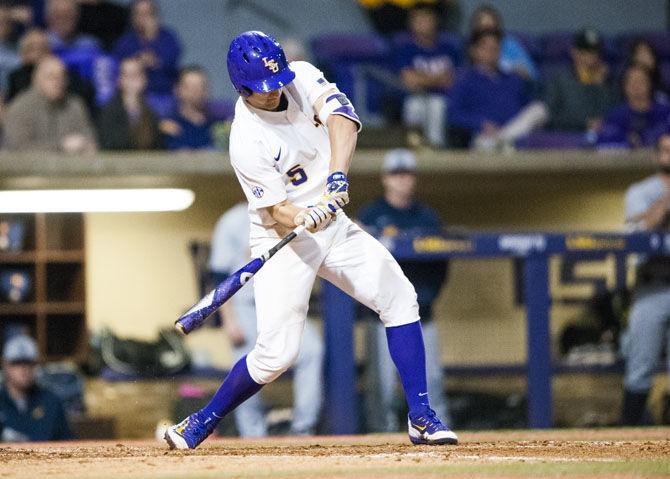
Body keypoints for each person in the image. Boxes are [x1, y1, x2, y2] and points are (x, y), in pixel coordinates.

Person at [164, 31, 458, 449]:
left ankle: (421, 417)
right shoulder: (245, 138)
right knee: (276, 355)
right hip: (282, 234)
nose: (275, 91)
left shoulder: (299, 75)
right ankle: (202, 419)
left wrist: (337, 176)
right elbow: (273, 211)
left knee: (399, 297)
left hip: (333, 221)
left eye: (276, 80)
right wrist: (303, 215)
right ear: (241, 88)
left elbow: (342, 121)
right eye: (263, 89)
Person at [209, 203, 324, 437]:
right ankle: (252, 434)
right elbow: (219, 276)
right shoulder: (232, 220)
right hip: (245, 306)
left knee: (312, 350)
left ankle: (303, 427)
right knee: (243, 365)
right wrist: (229, 321)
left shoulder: (293, 212)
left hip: (282, 301)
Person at [357, 149, 450, 432]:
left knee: (431, 381)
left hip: (423, 315)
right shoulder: (372, 215)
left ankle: (438, 430)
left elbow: (441, 268)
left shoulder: (427, 217)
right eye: (396, 174)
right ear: (386, 179)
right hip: (380, 315)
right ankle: (380, 437)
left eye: (406, 174)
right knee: (381, 386)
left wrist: (426, 299)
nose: (401, 181)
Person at [621, 132, 670, 425]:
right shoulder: (640, 191)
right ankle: (625, 437)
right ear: (657, 155)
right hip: (652, 284)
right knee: (639, 368)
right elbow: (639, 229)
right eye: (665, 150)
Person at [448, 28, 547, 150]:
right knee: (484, 142)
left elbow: (527, 108)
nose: (491, 52)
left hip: (514, 133)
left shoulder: (514, 79)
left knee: (539, 109)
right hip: (483, 135)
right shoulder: (464, 80)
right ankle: (502, 142)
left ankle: (502, 140)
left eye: (495, 48)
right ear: (475, 51)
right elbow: (454, 115)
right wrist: (481, 124)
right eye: (486, 48)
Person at [397, 2, 460, 147]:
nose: (423, 23)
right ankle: (414, 149)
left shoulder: (449, 49)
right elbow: (409, 80)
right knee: (415, 106)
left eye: (427, 19)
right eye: (418, 20)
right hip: (415, 98)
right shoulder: (405, 49)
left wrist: (422, 78)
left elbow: (453, 79)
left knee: (437, 104)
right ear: (411, 23)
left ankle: (436, 152)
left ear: (435, 20)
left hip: (445, 99)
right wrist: (438, 79)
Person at [4, 55, 97, 152]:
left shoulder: (75, 105)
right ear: (36, 79)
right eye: (51, 77)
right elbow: (20, 149)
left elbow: (90, 141)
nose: (58, 82)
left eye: (62, 77)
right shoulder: (20, 108)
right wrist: (61, 147)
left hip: (72, 165)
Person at [545, 28, 618, 136]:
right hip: (567, 136)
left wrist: (600, 86)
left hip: (602, 136)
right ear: (574, 52)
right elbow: (550, 117)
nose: (591, 57)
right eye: (585, 52)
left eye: (595, 52)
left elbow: (616, 114)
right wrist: (583, 124)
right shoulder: (560, 80)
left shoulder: (609, 80)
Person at [0, 335, 72, 441]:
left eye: (29, 363)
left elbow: (68, 444)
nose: (24, 369)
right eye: (17, 363)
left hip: (45, 457)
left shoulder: (51, 402)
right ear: (5, 365)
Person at [5, 28, 95, 113]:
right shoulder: (16, 77)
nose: (38, 52)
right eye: (32, 48)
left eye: (42, 47)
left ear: (50, 52)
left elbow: (81, 97)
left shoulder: (65, 72)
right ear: (23, 54)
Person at [112, 0, 181, 97]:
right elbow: (120, 65)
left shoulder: (168, 37)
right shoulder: (125, 41)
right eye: (139, 14)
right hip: (133, 93)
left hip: (163, 91)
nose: (144, 18)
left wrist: (151, 38)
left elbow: (170, 61)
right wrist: (139, 61)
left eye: (148, 13)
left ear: (156, 15)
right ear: (133, 17)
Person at [598, 63, 670, 149]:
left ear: (650, 84)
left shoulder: (665, 113)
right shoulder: (615, 116)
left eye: (640, 81)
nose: (636, 85)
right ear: (624, 86)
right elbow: (606, 143)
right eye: (631, 81)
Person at [97, 57, 162, 150]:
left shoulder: (152, 111)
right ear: (119, 80)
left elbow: (157, 147)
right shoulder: (109, 110)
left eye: (135, 75)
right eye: (126, 75)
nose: (131, 80)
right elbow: (109, 144)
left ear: (144, 79)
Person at [468, 4, 538, 81]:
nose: (488, 35)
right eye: (483, 30)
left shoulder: (510, 45)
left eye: (491, 30)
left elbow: (532, 76)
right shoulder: (468, 48)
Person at [160, 66, 214, 150]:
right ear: (178, 90)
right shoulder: (167, 126)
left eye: (201, 86)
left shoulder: (216, 127)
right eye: (191, 87)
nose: (197, 91)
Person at [625, 38, 667, 104]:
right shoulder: (626, 79)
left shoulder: (661, 85)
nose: (646, 57)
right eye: (641, 53)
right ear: (633, 58)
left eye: (648, 53)